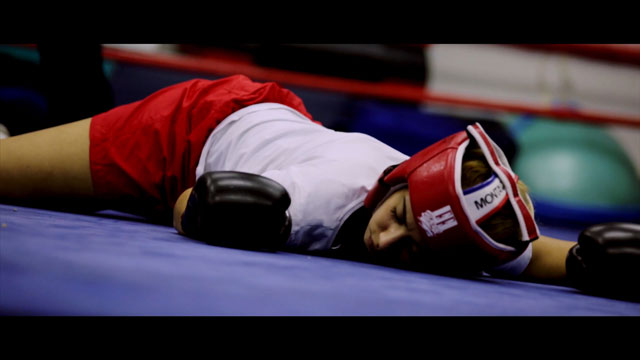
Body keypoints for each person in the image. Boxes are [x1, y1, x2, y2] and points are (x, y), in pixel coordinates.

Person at [1, 75, 638, 300]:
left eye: (415, 248)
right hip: (192, 131)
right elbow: (191, 205)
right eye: (397, 216)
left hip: (278, 133)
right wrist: (247, 217)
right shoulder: (317, 200)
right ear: (398, 183)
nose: (387, 241)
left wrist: (595, 263)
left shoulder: (458, 228)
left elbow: (560, 260)